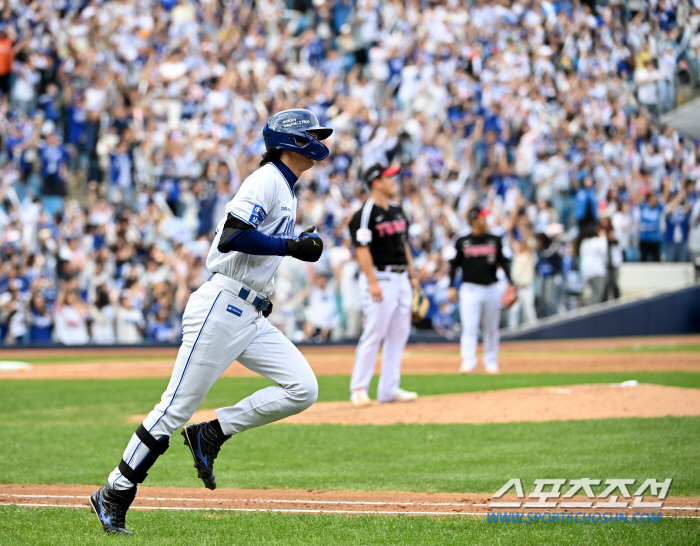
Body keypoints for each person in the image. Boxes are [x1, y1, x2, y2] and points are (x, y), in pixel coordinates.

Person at [90, 109, 331, 535]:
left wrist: (288, 244)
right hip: (222, 306)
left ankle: (212, 433)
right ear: (290, 141)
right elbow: (232, 236)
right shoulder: (268, 179)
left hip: (250, 312)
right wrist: (291, 246)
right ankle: (115, 490)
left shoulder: (286, 188)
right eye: (311, 133)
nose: (318, 140)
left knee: (303, 387)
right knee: (174, 408)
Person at [347, 163, 418, 407]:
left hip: (400, 278)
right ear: (376, 182)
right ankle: (359, 388)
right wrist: (372, 282)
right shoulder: (365, 213)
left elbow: (404, 244)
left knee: (399, 334)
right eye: (389, 178)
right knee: (374, 333)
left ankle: (389, 389)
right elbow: (362, 249)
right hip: (380, 277)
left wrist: (412, 273)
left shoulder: (397, 210)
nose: (393, 181)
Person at [448, 206, 513, 374]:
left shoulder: (495, 239)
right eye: (482, 217)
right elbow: (453, 266)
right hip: (469, 288)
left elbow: (503, 263)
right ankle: (468, 361)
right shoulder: (461, 241)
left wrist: (512, 283)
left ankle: (491, 361)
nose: (485, 220)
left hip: (492, 287)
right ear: (473, 220)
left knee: (491, 327)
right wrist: (450, 286)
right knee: (469, 327)